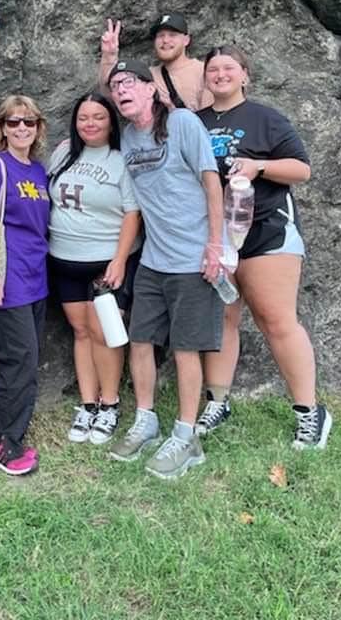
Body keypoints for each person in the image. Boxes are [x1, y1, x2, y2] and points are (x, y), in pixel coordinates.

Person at [196, 45, 332, 449]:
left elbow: (301, 169)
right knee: (221, 319)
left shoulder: (265, 118)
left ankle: (310, 412)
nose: (220, 74)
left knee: (276, 320)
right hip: (216, 236)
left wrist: (259, 166)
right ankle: (217, 401)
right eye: (213, 69)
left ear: (245, 75)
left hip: (266, 231)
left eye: (229, 68)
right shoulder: (195, 121)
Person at [106, 60, 224, 479]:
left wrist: (216, 245)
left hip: (193, 258)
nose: (121, 90)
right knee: (140, 340)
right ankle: (146, 421)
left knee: (186, 348)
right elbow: (98, 101)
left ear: (150, 88)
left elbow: (212, 182)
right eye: (116, 86)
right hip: (154, 260)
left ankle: (186, 436)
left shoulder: (183, 123)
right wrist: (109, 57)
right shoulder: (127, 135)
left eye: (129, 82)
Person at [47, 92, 141, 445]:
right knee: (81, 331)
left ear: (111, 122)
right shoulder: (62, 153)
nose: (90, 124)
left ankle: (110, 403)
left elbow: (132, 212)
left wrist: (120, 259)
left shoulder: (121, 159)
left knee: (104, 332)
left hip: (105, 260)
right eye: (83, 117)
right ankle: (88, 404)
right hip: (64, 258)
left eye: (99, 117)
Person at [0, 95, 50, 475]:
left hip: (37, 279)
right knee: (17, 362)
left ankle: (13, 436)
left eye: (28, 122)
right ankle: (0, 444)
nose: (21, 128)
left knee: (26, 362)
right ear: (1, 128)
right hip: (6, 277)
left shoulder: (38, 171)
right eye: (13, 122)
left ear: (38, 128)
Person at [99, 11, 211, 111]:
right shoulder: (147, 75)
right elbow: (110, 95)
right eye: (160, 36)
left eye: (172, 35)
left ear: (186, 40)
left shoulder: (204, 71)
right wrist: (109, 56)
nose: (165, 40)